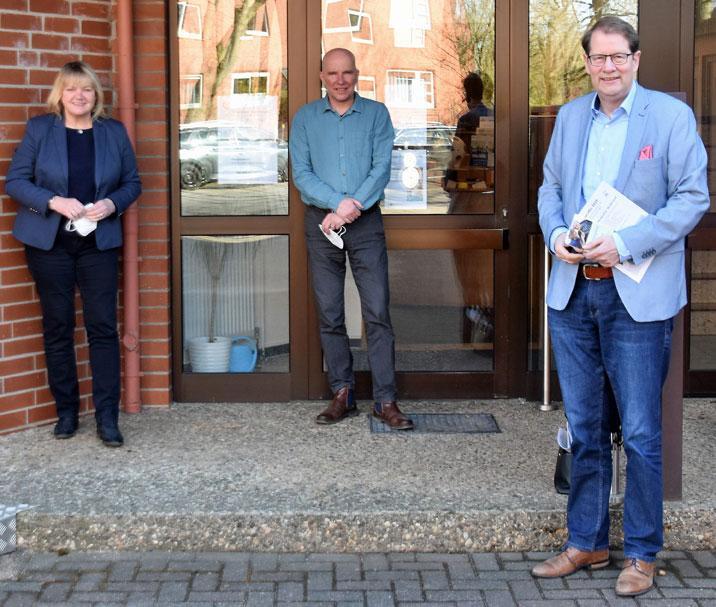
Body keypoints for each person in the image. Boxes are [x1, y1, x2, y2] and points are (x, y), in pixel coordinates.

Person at [532, 17, 708, 597]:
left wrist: (628, 242)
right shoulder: (572, 118)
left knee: (639, 432)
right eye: (598, 58)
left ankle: (641, 553)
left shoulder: (670, 117)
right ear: (586, 63)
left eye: (619, 56)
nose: (608, 67)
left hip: (637, 291)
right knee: (583, 428)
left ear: (636, 58)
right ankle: (586, 542)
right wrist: (555, 232)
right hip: (574, 289)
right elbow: (550, 187)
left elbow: (692, 198)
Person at [5, 61, 142, 447]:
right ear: (59, 94)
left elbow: (133, 182)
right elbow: (15, 181)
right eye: (71, 89)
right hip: (50, 246)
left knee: (101, 329)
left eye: (86, 89)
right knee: (58, 326)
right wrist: (53, 200)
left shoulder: (113, 132)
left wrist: (112, 205)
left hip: (97, 245)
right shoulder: (40, 130)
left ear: (96, 95)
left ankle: (107, 418)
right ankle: (66, 412)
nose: (79, 96)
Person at [289, 48, 413, 430]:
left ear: (356, 74)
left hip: (365, 223)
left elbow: (381, 168)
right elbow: (302, 173)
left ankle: (385, 400)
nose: (340, 80)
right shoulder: (306, 118)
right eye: (332, 73)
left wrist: (351, 205)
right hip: (321, 224)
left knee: (377, 312)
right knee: (330, 313)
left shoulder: (376, 115)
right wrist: (336, 205)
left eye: (347, 73)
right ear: (321, 76)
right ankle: (342, 392)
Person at [446, 72, 495, 343]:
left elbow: (459, 158)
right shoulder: (492, 115)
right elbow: (489, 158)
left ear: (466, 91)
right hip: (490, 199)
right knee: (486, 270)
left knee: (468, 269)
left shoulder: (467, 119)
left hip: (469, 201)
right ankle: (487, 314)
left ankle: (474, 317)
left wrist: (449, 179)